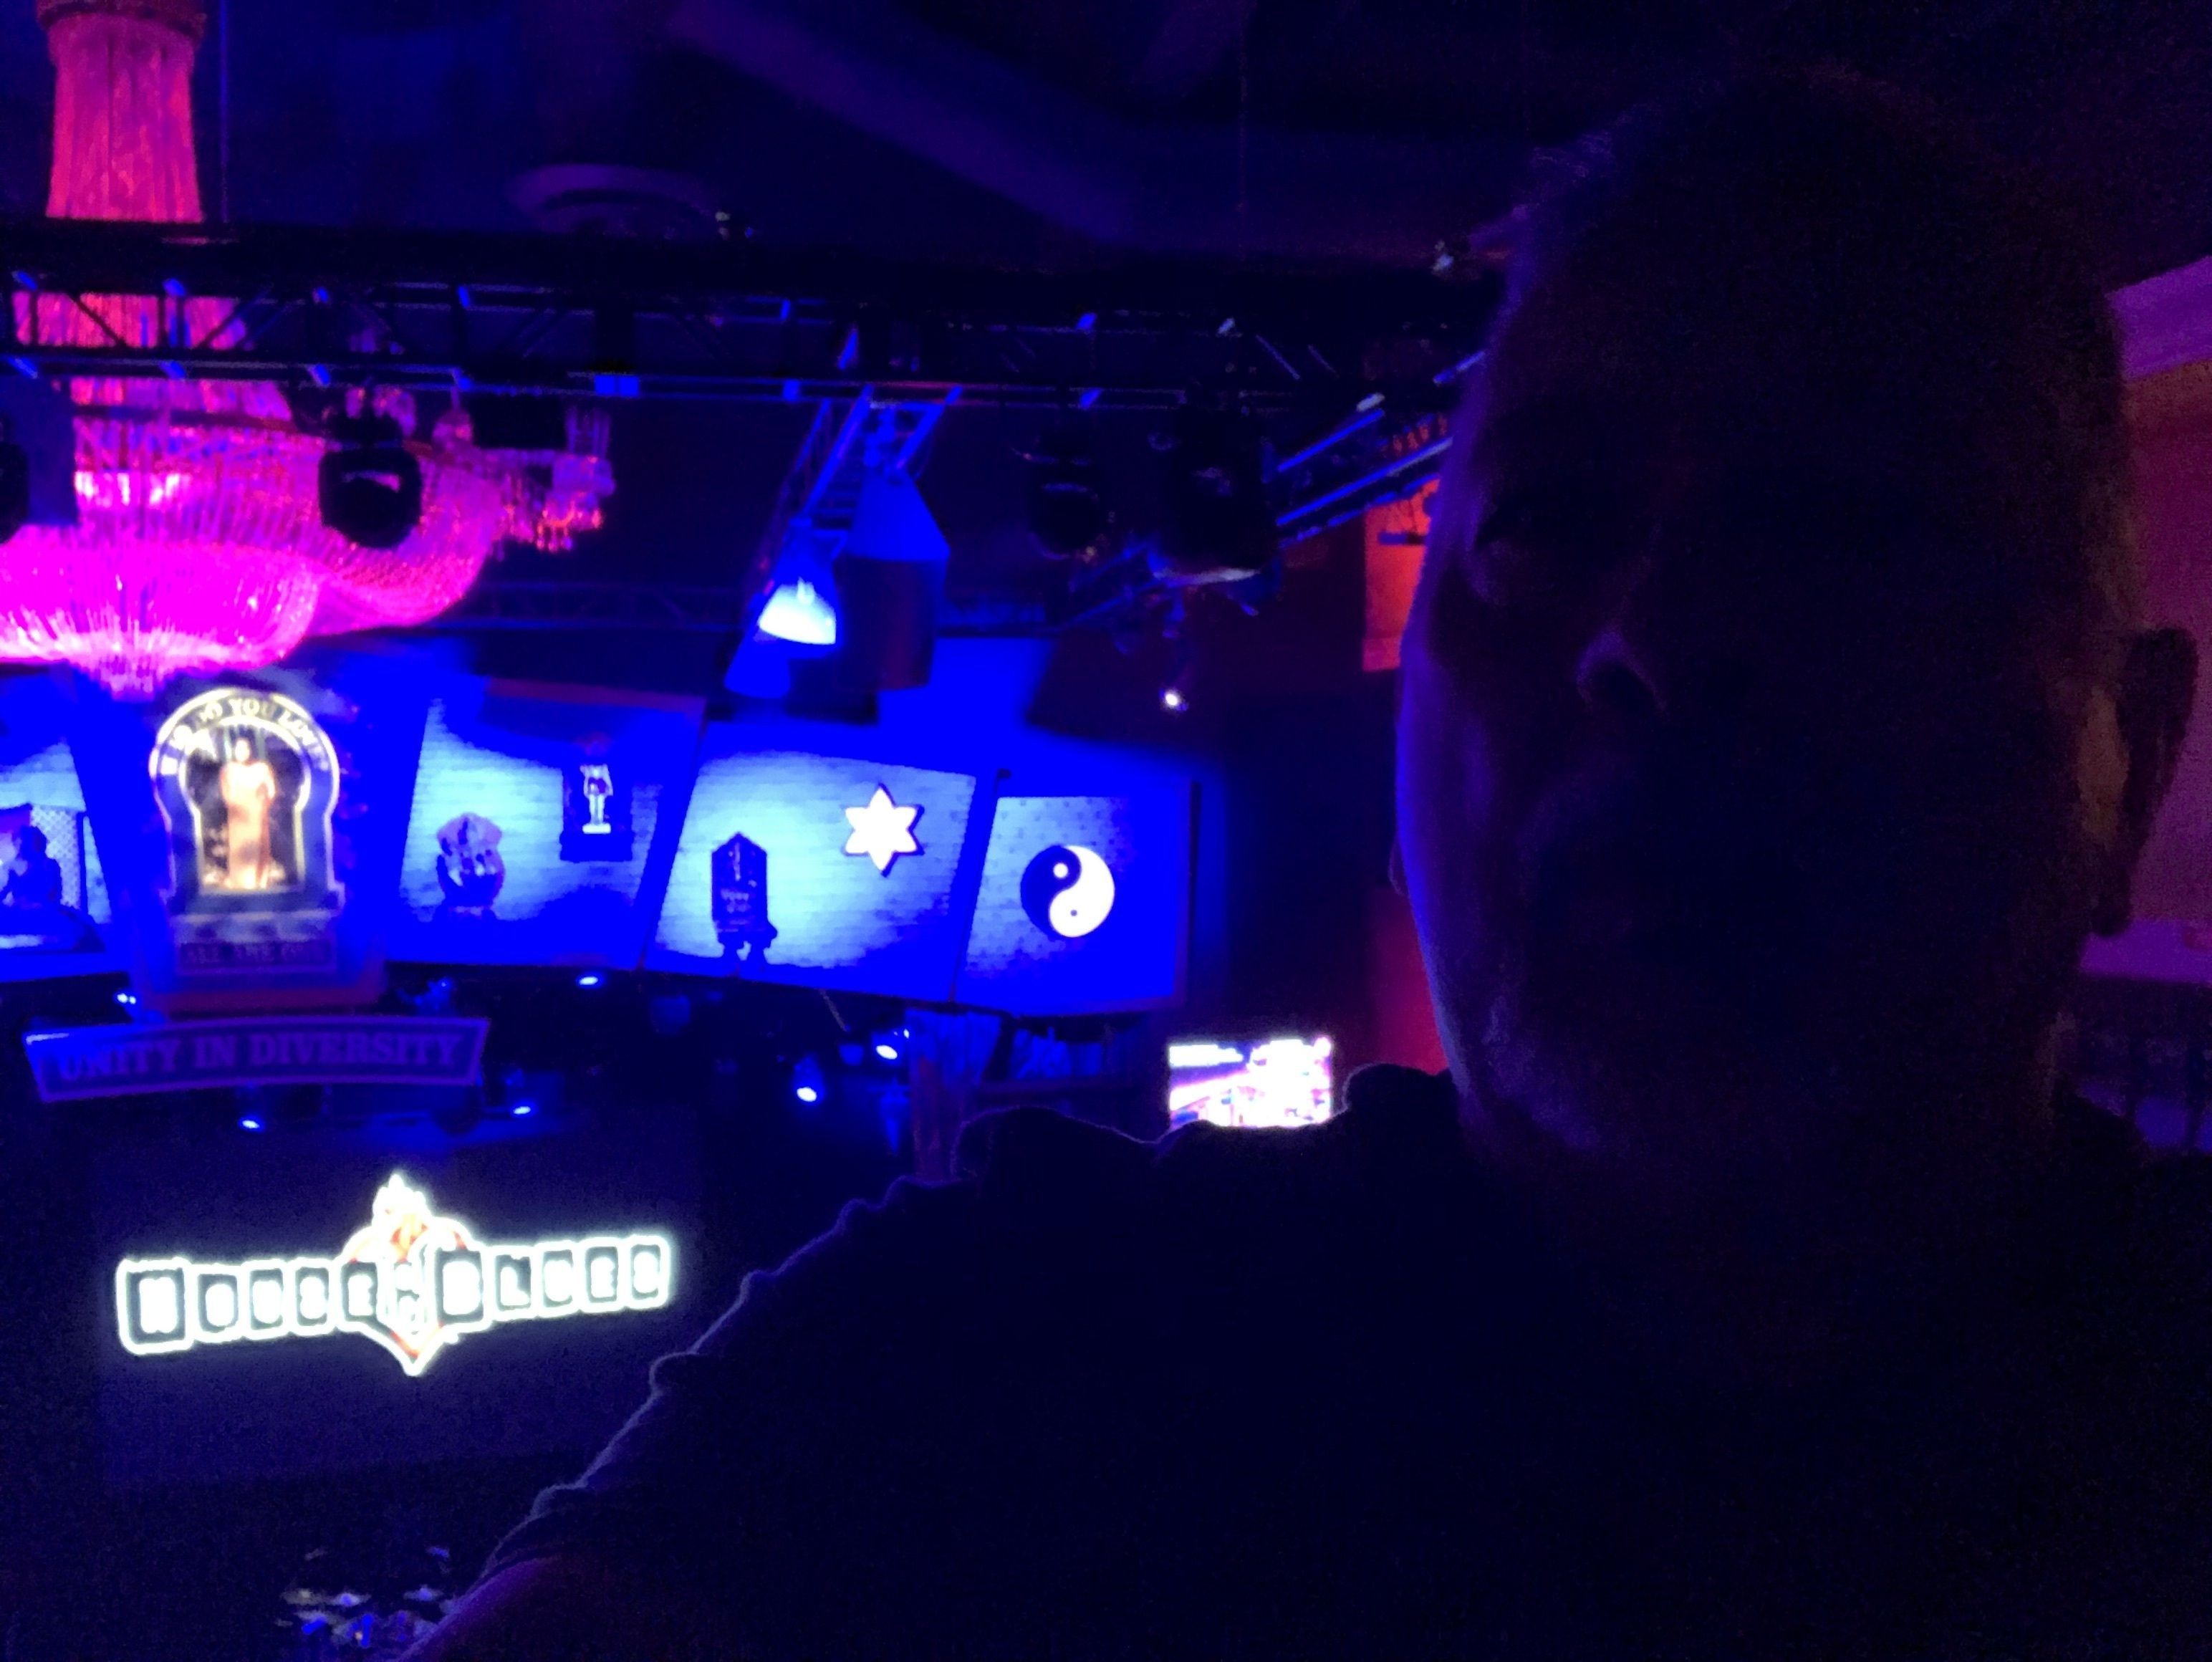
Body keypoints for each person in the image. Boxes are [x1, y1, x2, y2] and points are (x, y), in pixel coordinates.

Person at [413, 74, 2212, 1661]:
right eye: (1542, 528)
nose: (1652, 635)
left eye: (1848, 532)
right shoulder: (988, 1352)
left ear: (2126, 761)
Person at [216, 732, 278, 890]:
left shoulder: (262, 768)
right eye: (239, 748)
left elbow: (271, 791)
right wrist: (238, 807)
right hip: (237, 817)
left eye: (246, 748)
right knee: (239, 848)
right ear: (234, 750)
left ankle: (259, 881)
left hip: (258, 815)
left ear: (251, 750)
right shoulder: (228, 770)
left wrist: (261, 807)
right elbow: (226, 793)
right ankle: (238, 882)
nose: (243, 752)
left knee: (258, 846)